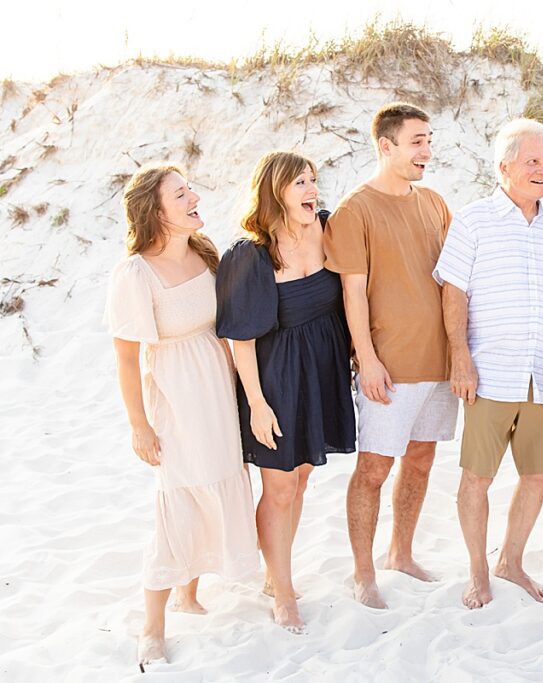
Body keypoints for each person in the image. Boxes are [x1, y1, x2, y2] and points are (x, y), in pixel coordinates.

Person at [106, 165, 259, 665]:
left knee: (216, 480)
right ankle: (153, 627)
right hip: (176, 396)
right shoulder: (136, 273)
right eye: (181, 194)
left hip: (217, 388)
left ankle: (189, 593)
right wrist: (139, 425)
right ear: (156, 211)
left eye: (190, 189)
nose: (195, 198)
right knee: (179, 498)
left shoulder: (203, 252)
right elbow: (127, 357)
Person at [434, 119, 543, 610]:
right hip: (490, 372)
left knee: (537, 476)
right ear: (504, 167)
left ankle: (510, 561)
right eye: (532, 161)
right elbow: (454, 294)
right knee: (478, 476)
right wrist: (460, 357)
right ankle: (478, 572)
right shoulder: (473, 220)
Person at [216, 151, 356, 634]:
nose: (312, 190)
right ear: (275, 190)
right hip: (275, 378)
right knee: (277, 487)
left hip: (321, 368)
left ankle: (278, 577)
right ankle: (281, 588)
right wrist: (256, 403)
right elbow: (241, 338)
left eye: (314, 180)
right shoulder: (250, 254)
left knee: (299, 479)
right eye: (300, 182)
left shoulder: (329, 228)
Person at [324, 102, 457, 609]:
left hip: (439, 362)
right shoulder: (355, 210)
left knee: (421, 460)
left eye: (429, 139)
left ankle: (400, 553)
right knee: (375, 468)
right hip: (390, 367)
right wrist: (369, 358)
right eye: (417, 141)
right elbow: (352, 294)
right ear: (386, 146)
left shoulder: (433, 203)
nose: (427, 150)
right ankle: (363, 572)